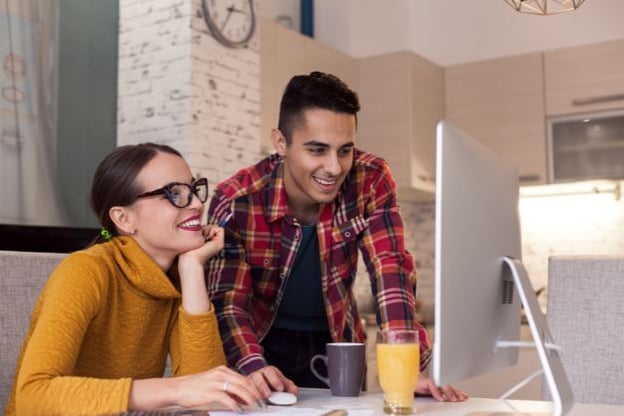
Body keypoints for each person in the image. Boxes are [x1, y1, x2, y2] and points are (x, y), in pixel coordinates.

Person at [205, 71, 467, 401]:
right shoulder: (237, 200)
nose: (334, 168)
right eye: (317, 150)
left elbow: (391, 270)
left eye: (345, 150)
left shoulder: (370, 178)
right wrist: (251, 364)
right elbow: (227, 303)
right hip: (260, 345)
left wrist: (407, 365)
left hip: (338, 345)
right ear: (280, 143)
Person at [5, 143, 265, 415]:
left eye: (193, 188)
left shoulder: (176, 277)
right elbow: (32, 396)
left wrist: (192, 268)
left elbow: (208, 402)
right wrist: (175, 390)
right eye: (174, 193)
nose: (198, 204)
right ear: (124, 218)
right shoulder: (85, 271)